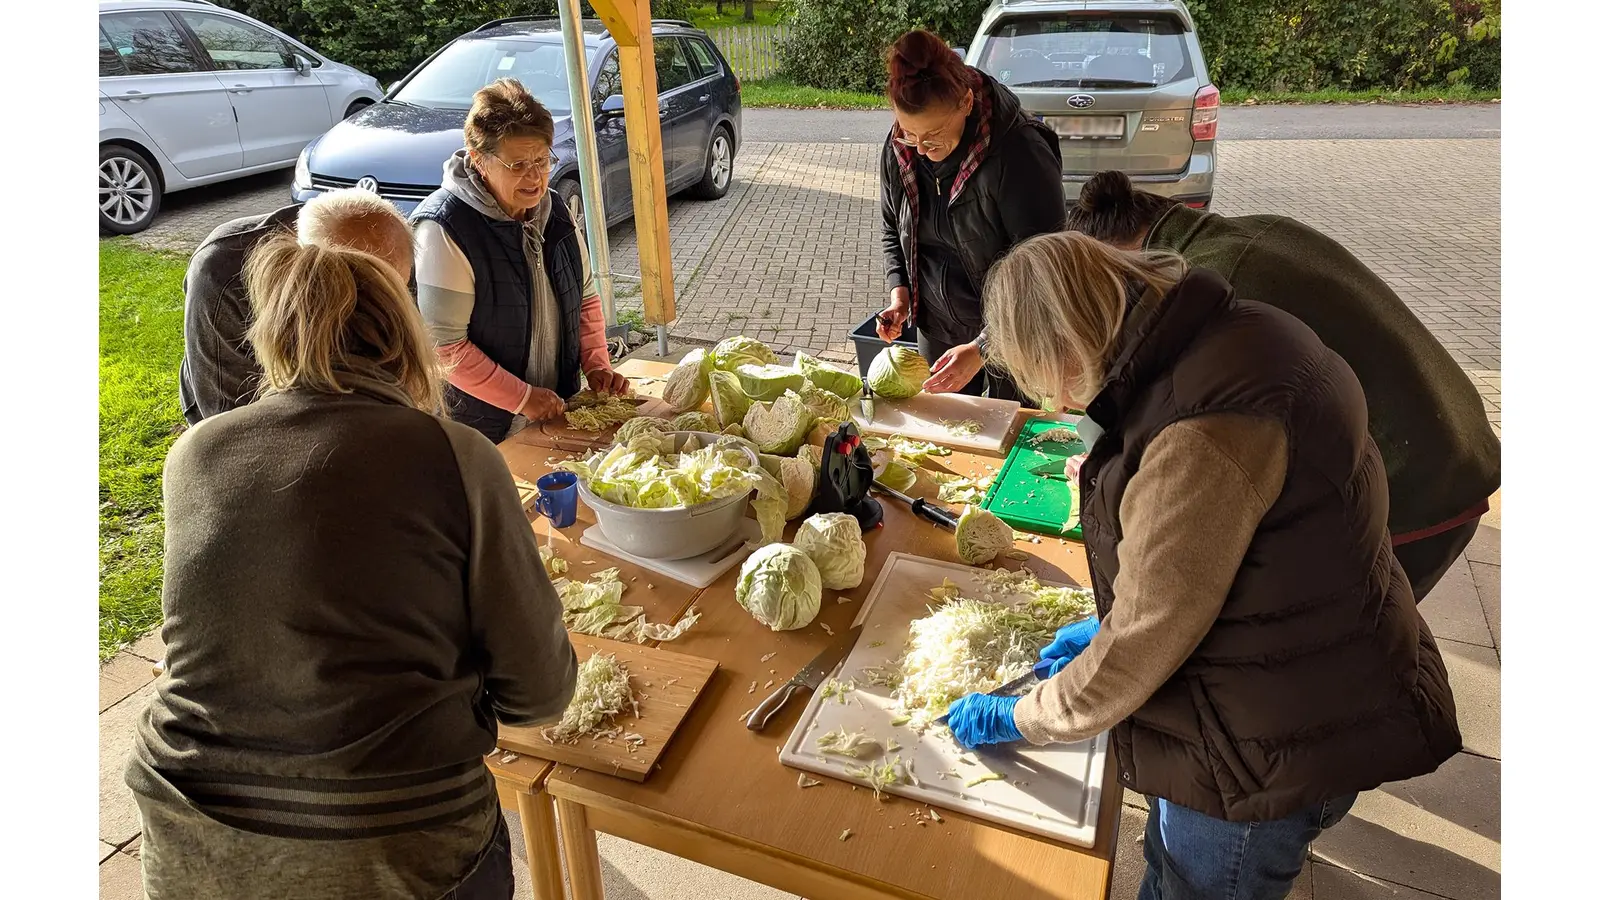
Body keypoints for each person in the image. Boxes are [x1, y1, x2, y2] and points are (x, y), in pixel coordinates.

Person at [946, 231, 1461, 900]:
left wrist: (1022, 717)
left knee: (1199, 886)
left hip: (1263, 748)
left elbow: (1142, 643)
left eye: (1050, 382)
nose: (1060, 405)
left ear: (1073, 343)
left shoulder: (1201, 435)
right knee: (1172, 854)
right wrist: (1105, 622)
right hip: (1321, 673)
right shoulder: (1236, 330)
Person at [127, 233, 578, 900]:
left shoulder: (196, 452)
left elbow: (229, 620)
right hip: (393, 834)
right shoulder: (456, 453)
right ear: (404, 337)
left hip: (186, 820)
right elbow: (540, 697)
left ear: (272, 338)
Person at [1065, 170, 1499, 600]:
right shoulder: (1256, 230)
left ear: (1118, 253)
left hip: (1417, 480)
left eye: (1108, 279)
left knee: (1348, 635)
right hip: (1458, 434)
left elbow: (1189, 424)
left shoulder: (1209, 281)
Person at [413, 77, 626, 444]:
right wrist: (523, 398)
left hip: (555, 408)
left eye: (542, 161)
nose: (534, 177)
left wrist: (597, 366)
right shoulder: (445, 228)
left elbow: (586, 297)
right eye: (517, 165)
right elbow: (445, 349)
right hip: (480, 428)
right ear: (479, 159)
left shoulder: (555, 209)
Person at [874, 29, 1065, 401]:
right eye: (911, 134)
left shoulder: (1020, 153)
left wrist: (982, 348)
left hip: (1011, 331)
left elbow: (1043, 270)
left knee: (1006, 435)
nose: (923, 151)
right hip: (937, 325)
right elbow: (891, 227)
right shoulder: (900, 149)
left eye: (934, 135)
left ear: (965, 102)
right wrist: (901, 293)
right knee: (944, 433)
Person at [178, 188, 415, 424]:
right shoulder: (222, 276)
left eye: (390, 294)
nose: (374, 308)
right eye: (360, 299)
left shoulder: (392, 252)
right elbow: (230, 426)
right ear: (302, 265)